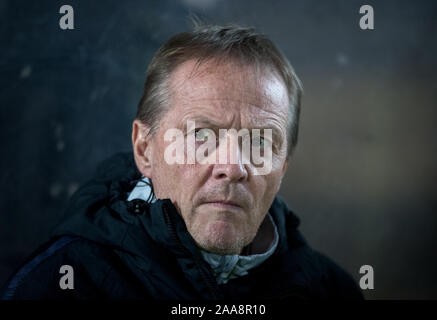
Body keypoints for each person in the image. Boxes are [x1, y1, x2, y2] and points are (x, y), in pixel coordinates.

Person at [1, 23, 363, 300]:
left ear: (281, 168)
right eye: (202, 135)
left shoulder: (331, 291)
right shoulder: (59, 286)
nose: (234, 167)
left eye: (260, 142)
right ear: (145, 150)